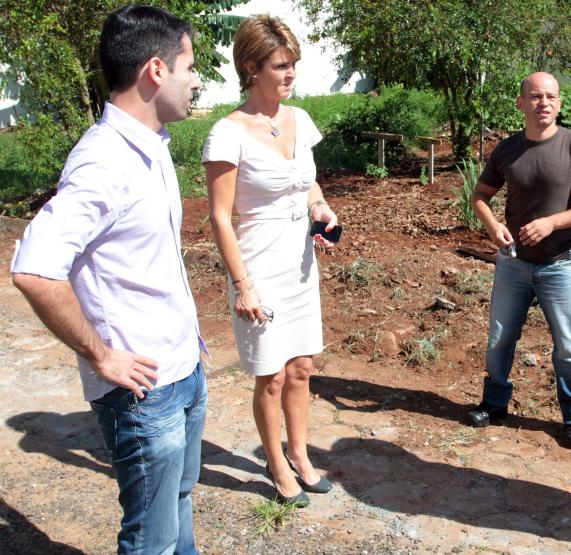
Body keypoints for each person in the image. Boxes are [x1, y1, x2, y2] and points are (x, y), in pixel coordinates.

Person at [11, 5, 207, 553]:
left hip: (182, 369)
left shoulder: (152, 146)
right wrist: (102, 356)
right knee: (152, 540)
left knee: (179, 507)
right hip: (143, 392)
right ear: (155, 70)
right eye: (189, 65)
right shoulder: (103, 162)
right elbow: (33, 269)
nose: (197, 80)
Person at [202, 14, 336, 507]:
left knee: (301, 366)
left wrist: (320, 208)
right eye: (281, 65)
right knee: (272, 374)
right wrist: (243, 285)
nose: (290, 74)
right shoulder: (226, 133)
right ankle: (276, 463)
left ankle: (300, 454)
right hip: (257, 267)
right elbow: (219, 217)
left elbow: (307, 184)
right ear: (251, 67)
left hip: (300, 264)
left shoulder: (299, 119)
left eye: (294, 64)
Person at [468, 72, 571, 450]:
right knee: (500, 339)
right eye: (534, 96)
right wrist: (493, 225)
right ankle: (495, 403)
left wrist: (553, 222)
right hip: (513, 262)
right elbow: (480, 195)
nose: (543, 102)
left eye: (550, 96)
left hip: (559, 262)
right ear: (521, 103)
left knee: (569, 345)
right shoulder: (507, 149)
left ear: (559, 103)